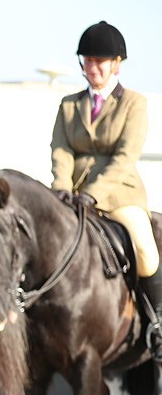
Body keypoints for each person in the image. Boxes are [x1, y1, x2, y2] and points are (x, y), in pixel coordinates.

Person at [51, 20, 162, 361]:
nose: (92, 66)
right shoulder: (69, 104)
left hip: (119, 195)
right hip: (73, 195)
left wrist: (94, 193)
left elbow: (125, 157)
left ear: (116, 64)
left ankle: (157, 322)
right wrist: (61, 190)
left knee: (145, 245)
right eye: (87, 60)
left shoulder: (134, 103)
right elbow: (61, 150)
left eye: (100, 60)